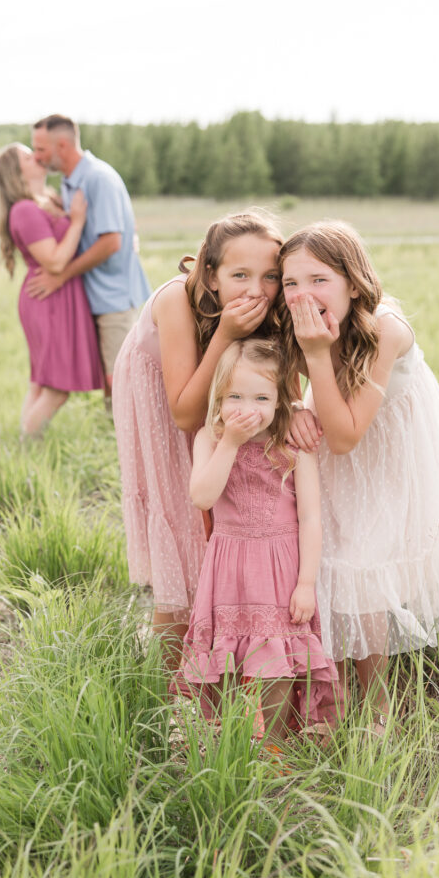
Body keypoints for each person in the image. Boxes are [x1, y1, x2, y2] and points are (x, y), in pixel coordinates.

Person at [280, 220, 439, 731]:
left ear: (353, 282)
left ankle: (376, 708)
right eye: (290, 282)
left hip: (385, 453)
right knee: (330, 552)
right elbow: (277, 372)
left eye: (318, 279)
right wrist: (290, 402)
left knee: (366, 563)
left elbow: (348, 435)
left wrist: (314, 353)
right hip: (339, 432)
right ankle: (330, 685)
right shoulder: (297, 318)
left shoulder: (386, 328)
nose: (302, 294)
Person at [112, 210, 284, 671]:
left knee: (220, 516)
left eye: (270, 276)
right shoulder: (177, 301)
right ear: (210, 273)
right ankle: (167, 682)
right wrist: (226, 333)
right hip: (162, 399)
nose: (256, 289)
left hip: (208, 393)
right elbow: (186, 413)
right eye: (240, 275)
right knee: (183, 523)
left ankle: (223, 661)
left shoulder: (269, 302)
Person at [176, 338, 343, 742]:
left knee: (278, 658)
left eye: (260, 397)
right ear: (219, 396)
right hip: (229, 565)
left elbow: (310, 516)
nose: (247, 409)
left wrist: (305, 583)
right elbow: (202, 496)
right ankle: (231, 737)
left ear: (279, 400)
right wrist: (230, 443)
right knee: (228, 655)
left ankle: (275, 743)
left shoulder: (292, 443)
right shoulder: (210, 439)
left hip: (280, 565)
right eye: (235, 396)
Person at [28, 114, 151, 404]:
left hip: (114, 297)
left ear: (62, 146)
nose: (37, 157)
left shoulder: (98, 178)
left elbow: (111, 242)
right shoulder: (71, 182)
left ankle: (123, 443)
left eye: (41, 149)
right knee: (108, 382)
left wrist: (61, 275)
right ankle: (111, 437)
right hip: (93, 294)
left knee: (120, 381)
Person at [0, 143, 105, 436]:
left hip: (59, 297)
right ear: (16, 171)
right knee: (56, 389)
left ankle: (22, 448)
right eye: (28, 157)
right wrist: (77, 221)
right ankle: (26, 448)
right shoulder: (25, 210)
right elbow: (54, 261)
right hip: (48, 299)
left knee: (41, 384)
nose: (37, 157)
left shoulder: (47, 199)